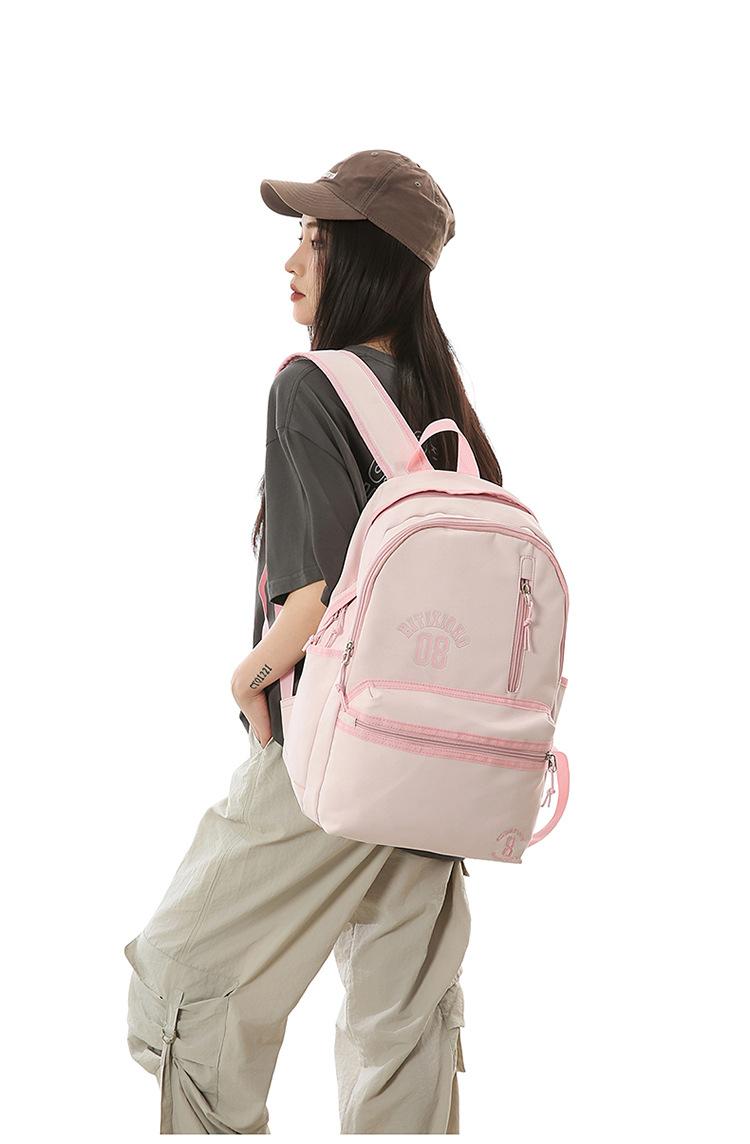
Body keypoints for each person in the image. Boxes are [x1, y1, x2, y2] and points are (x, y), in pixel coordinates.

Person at [123, 149, 504, 1134]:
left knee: (183, 983)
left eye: (315, 241)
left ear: (368, 261)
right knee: (403, 1030)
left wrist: (246, 675)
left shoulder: (311, 386)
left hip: (330, 758)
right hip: (440, 772)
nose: (293, 261)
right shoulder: (446, 411)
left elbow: (317, 598)